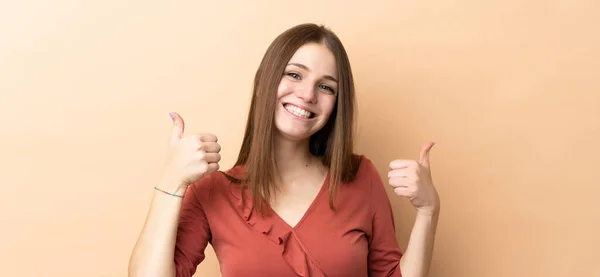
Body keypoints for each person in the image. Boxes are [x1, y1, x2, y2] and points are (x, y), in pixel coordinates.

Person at [128, 23, 440, 277]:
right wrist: (171, 183)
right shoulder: (213, 193)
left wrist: (428, 211)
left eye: (326, 86)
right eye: (294, 74)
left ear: (335, 106)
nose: (307, 94)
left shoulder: (361, 178)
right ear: (264, 82)